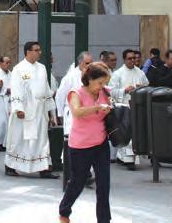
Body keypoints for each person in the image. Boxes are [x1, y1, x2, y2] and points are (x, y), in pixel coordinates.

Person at [58, 62, 113, 223]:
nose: (102, 86)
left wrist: (111, 107)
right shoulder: (76, 93)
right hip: (80, 146)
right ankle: (64, 211)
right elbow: (77, 111)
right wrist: (97, 107)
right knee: (78, 181)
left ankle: (104, 220)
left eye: (104, 83)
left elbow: (110, 108)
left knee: (104, 184)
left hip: (101, 143)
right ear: (89, 79)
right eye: (100, 83)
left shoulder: (105, 92)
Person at [5, 41, 58, 179]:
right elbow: (16, 88)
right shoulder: (18, 69)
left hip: (40, 110)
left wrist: (51, 112)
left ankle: (44, 168)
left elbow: (46, 89)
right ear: (28, 52)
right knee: (19, 138)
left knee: (41, 139)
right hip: (25, 109)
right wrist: (18, 108)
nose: (40, 52)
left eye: (39, 50)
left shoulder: (42, 68)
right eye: (36, 50)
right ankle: (11, 165)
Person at [109, 48, 148, 170]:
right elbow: (111, 91)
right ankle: (127, 159)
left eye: (134, 58)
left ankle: (126, 158)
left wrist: (141, 87)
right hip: (124, 107)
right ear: (124, 59)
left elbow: (147, 85)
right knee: (126, 133)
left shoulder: (140, 73)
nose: (132, 61)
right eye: (129, 58)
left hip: (137, 107)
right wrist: (124, 90)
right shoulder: (118, 74)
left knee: (134, 134)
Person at [56, 52, 93, 137]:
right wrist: (61, 114)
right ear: (80, 62)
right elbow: (60, 95)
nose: (90, 65)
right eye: (87, 63)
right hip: (73, 113)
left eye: (91, 63)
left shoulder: (93, 76)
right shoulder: (70, 77)